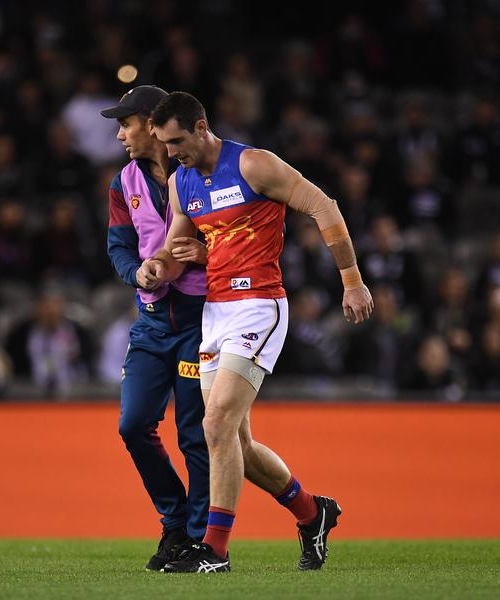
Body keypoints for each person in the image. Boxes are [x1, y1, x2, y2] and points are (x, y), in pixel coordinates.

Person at [145, 91, 374, 573]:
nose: (171, 152)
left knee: (215, 425)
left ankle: (214, 551)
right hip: (216, 312)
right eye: (164, 144)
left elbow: (324, 206)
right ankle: (312, 513)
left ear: (201, 127)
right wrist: (156, 268)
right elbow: (175, 248)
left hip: (258, 306)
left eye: (177, 141)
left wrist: (352, 281)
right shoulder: (182, 182)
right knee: (238, 446)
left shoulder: (253, 164)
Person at [100, 86, 210, 570]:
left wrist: (206, 255)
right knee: (133, 425)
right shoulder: (123, 183)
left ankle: (197, 539)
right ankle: (176, 521)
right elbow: (119, 247)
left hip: (199, 320)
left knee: (195, 434)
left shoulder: (201, 173)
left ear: (150, 123)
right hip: (151, 322)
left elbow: (235, 236)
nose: (120, 135)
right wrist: (136, 273)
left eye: (125, 124)